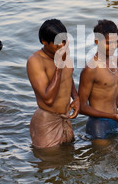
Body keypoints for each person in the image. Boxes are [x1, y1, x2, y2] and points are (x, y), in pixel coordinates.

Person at [27, 19, 79, 148]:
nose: (62, 45)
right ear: (44, 42)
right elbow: (48, 99)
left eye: (64, 41)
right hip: (47, 121)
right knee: (50, 163)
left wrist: (76, 97)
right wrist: (59, 66)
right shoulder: (35, 61)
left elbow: (68, 76)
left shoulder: (63, 51)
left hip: (65, 117)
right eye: (57, 43)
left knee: (68, 160)